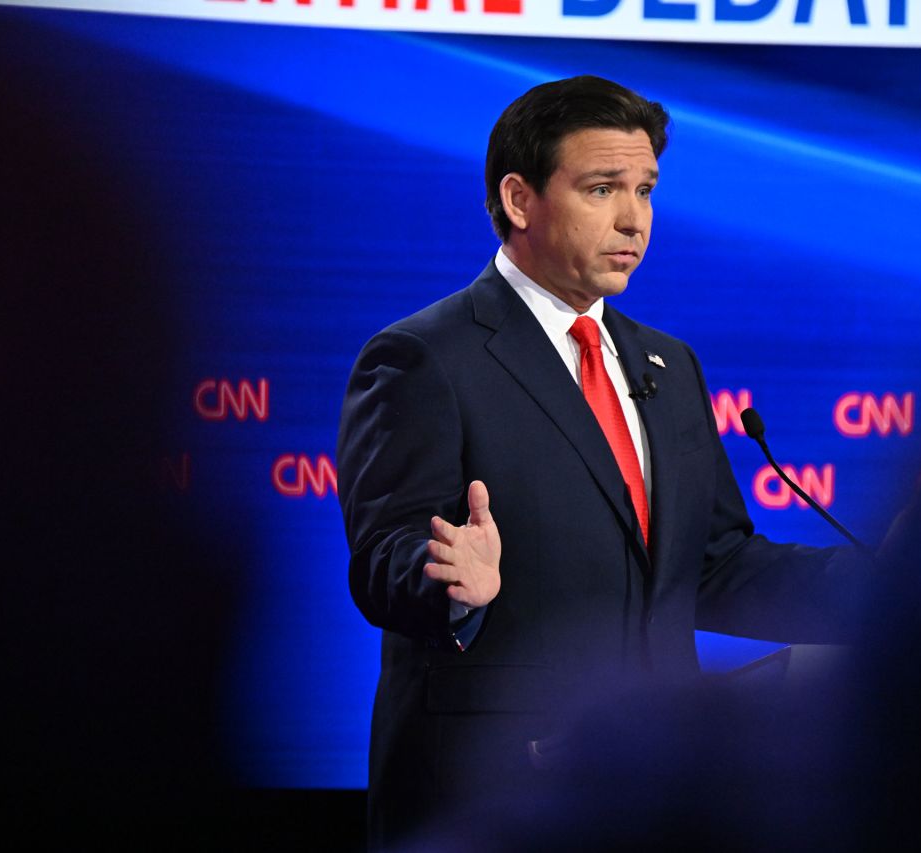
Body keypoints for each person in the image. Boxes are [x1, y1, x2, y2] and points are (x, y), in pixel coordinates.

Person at [337, 75, 866, 850]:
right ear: (519, 200)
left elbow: (712, 567)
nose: (633, 219)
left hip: (657, 789)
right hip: (494, 791)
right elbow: (384, 558)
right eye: (602, 188)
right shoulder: (426, 356)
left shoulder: (667, 362)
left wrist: (885, 588)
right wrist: (451, 581)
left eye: (645, 190)